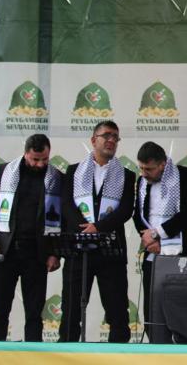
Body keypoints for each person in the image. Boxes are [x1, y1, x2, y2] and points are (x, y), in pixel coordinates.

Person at [58, 120, 135, 343]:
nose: (111, 140)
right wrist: (85, 228)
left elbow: (125, 209)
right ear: (94, 140)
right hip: (79, 248)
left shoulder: (127, 175)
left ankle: (118, 352)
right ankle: (66, 351)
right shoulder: (74, 171)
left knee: (117, 308)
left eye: (115, 137)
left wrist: (98, 227)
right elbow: (66, 205)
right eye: (106, 136)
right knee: (71, 307)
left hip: (111, 250)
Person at [0, 133, 62, 341]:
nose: (40, 164)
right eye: (35, 159)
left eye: (45, 159)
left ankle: (33, 354)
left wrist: (55, 253)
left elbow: (60, 220)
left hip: (37, 254)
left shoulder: (56, 177)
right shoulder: (5, 171)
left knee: (34, 314)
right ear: (26, 153)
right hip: (6, 251)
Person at [133, 141, 187, 324]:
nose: (144, 173)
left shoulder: (186, 176)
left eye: (149, 169)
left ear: (162, 164)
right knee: (153, 311)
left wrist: (157, 236)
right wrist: (150, 241)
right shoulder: (142, 181)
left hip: (186, 253)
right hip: (154, 254)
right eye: (141, 168)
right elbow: (138, 215)